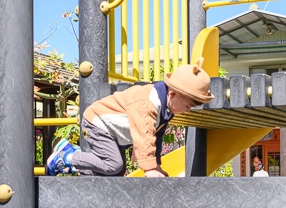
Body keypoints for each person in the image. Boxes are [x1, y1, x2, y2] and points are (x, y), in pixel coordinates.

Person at [46, 58, 214, 176]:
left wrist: (156, 165)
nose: (187, 111)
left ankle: (73, 159)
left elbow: (156, 137)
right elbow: (143, 134)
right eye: (187, 106)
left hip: (112, 131)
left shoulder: (166, 108)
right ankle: (66, 157)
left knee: (116, 172)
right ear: (173, 94)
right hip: (97, 123)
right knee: (114, 165)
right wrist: (149, 169)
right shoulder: (148, 102)